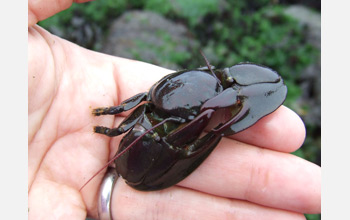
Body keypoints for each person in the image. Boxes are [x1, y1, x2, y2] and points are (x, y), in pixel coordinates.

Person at [28, 1, 321, 219]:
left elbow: (272, 85)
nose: (209, 111)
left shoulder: (215, 81)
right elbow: (144, 103)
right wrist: (114, 124)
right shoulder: (153, 113)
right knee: (153, 123)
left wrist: (216, 113)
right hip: (152, 131)